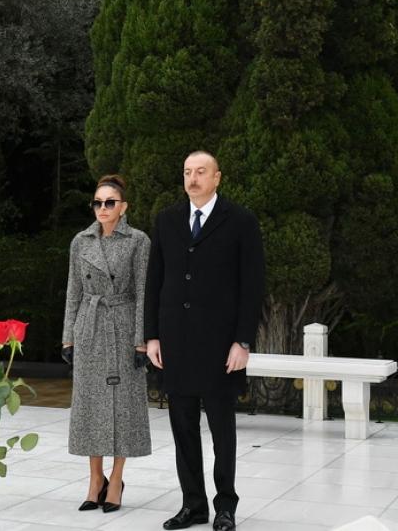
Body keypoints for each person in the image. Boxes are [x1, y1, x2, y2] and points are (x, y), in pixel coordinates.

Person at [144, 151, 264, 531]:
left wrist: (242, 341)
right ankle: (193, 506)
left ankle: (224, 506)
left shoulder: (241, 221)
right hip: (175, 343)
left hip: (219, 346)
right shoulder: (167, 221)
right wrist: (151, 336)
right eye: (187, 172)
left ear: (217, 178)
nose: (192, 178)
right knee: (182, 429)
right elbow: (154, 282)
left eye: (200, 172)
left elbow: (252, 286)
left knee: (222, 430)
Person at [62, 174, 152, 514]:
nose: (103, 208)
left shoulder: (138, 241)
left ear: (123, 207)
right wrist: (68, 336)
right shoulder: (80, 241)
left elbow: (144, 292)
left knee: (123, 406)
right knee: (90, 406)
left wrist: (140, 341)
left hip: (123, 326)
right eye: (98, 202)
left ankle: (116, 479)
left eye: (109, 202)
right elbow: (73, 290)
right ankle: (95, 478)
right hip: (89, 326)